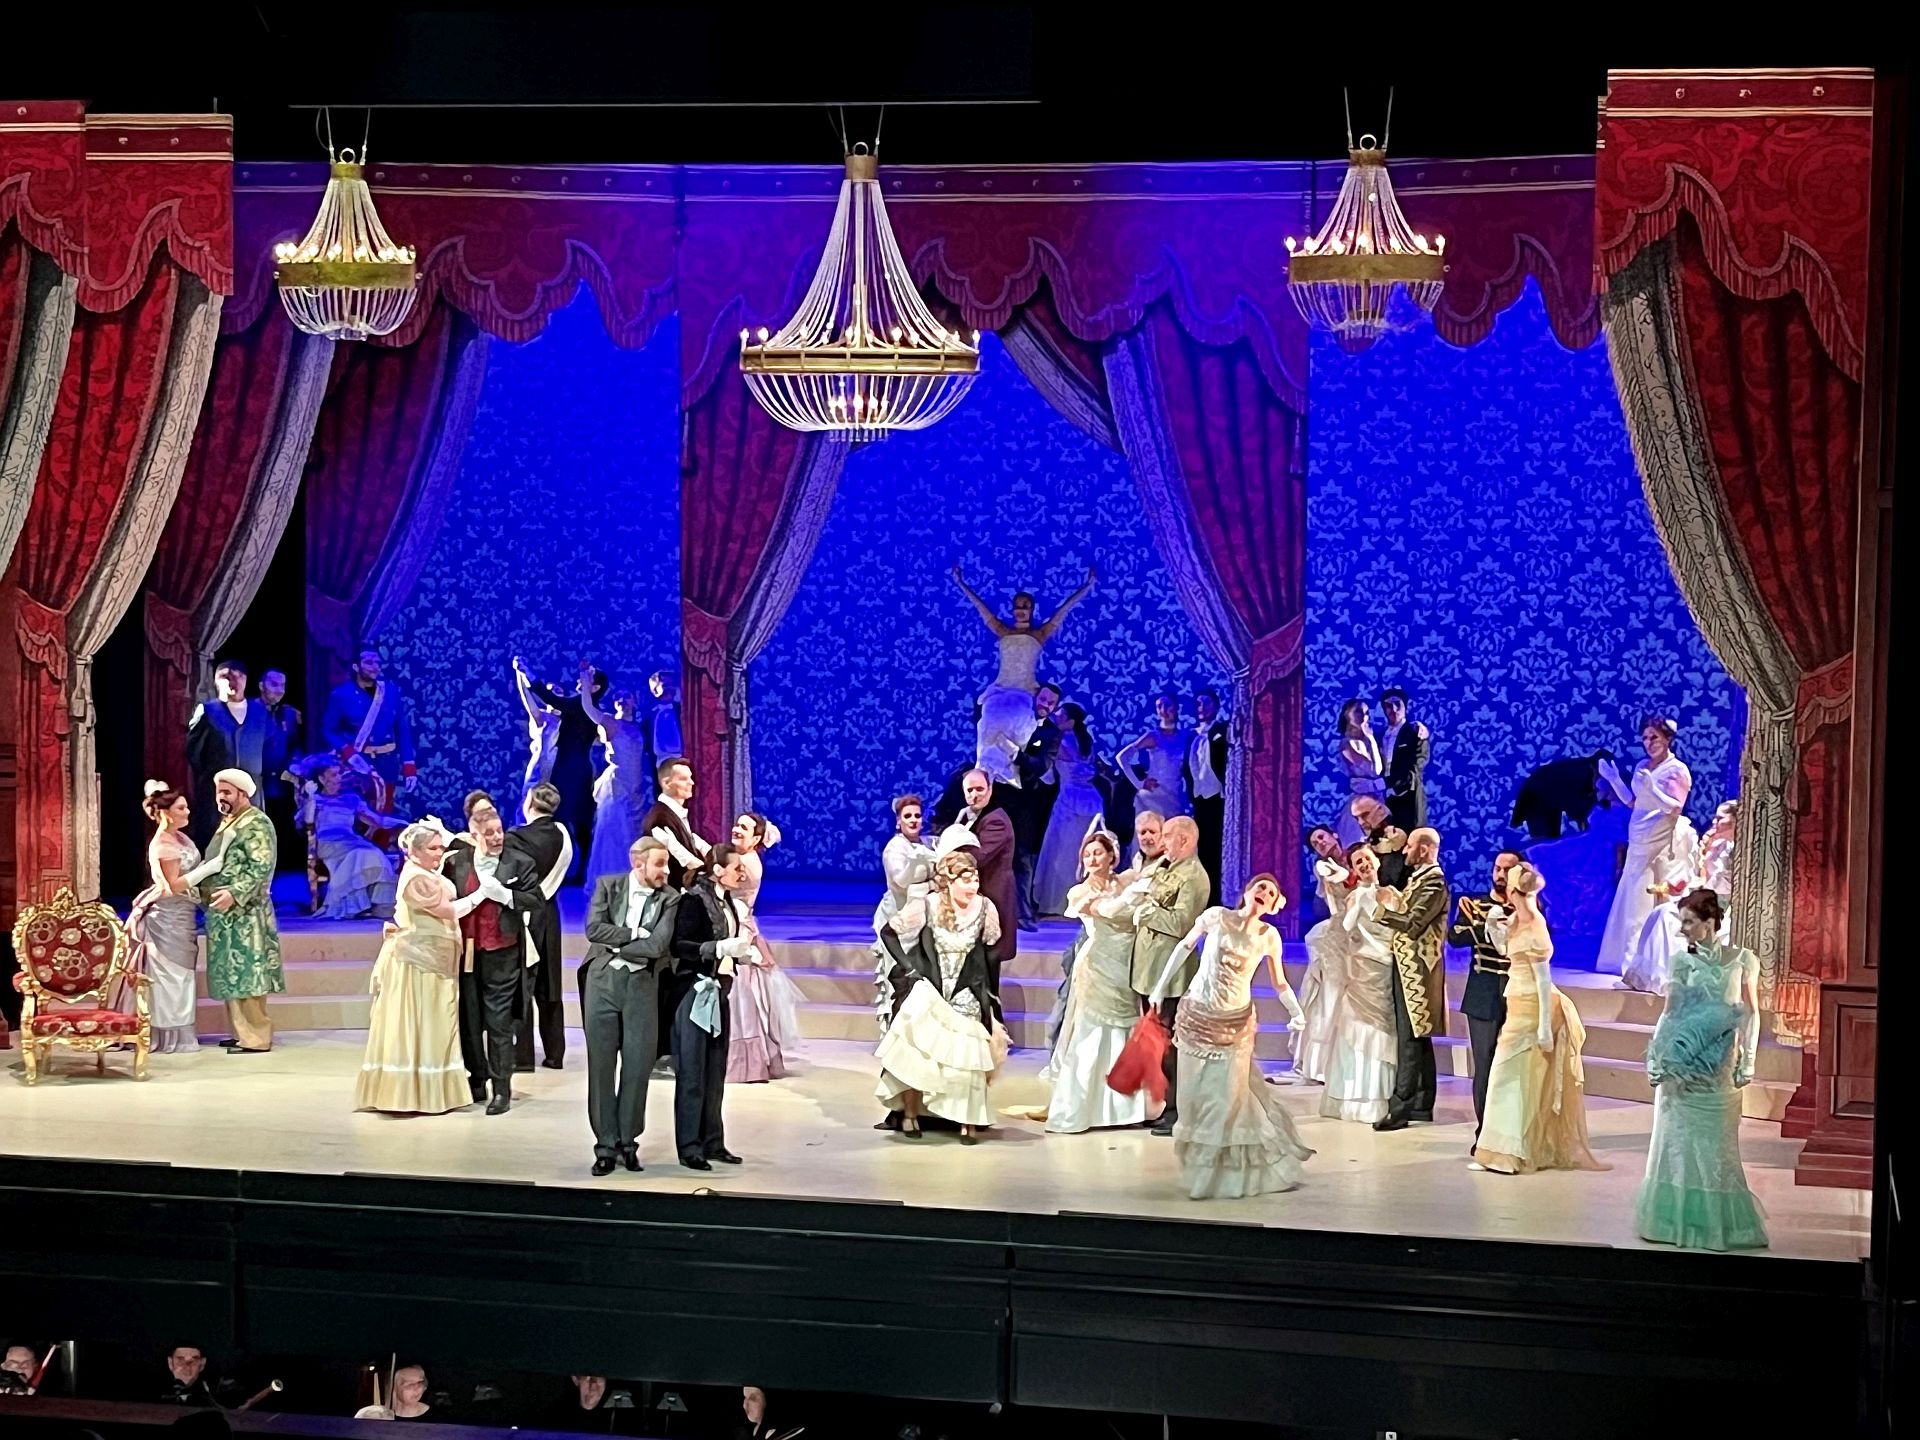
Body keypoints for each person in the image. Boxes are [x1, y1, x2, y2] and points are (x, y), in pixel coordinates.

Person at [1147, 875, 1311, 1199]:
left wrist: (1296, 1012)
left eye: (1271, 892)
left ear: (1274, 905)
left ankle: (1216, 1175)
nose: (1264, 892)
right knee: (1194, 1098)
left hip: (1235, 1025)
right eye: (1260, 886)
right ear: (1247, 891)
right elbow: (1184, 946)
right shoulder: (1216, 916)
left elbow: (1279, 982)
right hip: (1198, 1018)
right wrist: (1160, 987)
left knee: (1226, 1100)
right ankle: (1200, 1169)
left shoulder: (1268, 936)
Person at [1635, 888, 1769, 1251]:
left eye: (1689, 922)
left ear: (1710, 923)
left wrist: (1749, 1060)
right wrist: (1656, 1058)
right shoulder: (1682, 962)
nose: (1682, 929)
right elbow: (1670, 1013)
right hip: (1683, 1068)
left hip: (1721, 1066)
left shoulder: (1743, 960)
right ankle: (1674, 1221)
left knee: (1717, 1147)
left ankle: (1716, 1224)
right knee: (1677, 1143)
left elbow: (1751, 1013)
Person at [1471, 862, 1606, 1175]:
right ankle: (1497, 1152)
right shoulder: (1516, 920)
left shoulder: (1534, 925)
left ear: (1514, 891)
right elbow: (1507, 951)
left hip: (1532, 1010)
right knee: (1506, 1078)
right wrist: (1493, 927)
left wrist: (1545, 1026)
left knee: (1518, 1080)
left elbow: (1543, 981)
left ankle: (1512, 1153)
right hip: (1516, 1005)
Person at [355, 821, 492, 1114]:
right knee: (419, 1024)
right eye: (432, 848)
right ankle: (409, 1094)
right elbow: (447, 910)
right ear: (414, 851)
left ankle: (433, 1092)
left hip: (435, 961)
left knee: (435, 1025)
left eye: (440, 847)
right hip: (417, 963)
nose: (439, 853)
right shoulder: (416, 878)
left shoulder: (428, 872)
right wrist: (482, 895)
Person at [877, 846, 1004, 1141]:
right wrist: (909, 968)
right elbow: (888, 932)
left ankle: (967, 1120)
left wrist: (988, 992)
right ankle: (910, 1115)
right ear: (949, 882)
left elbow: (991, 949)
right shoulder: (928, 905)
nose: (973, 886)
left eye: (976, 879)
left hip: (965, 988)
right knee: (917, 1049)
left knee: (967, 1056)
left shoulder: (985, 908)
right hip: (932, 986)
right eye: (966, 880)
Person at [583, 838, 681, 1174]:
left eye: (666, 864)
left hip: (641, 986)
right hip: (602, 983)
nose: (666, 871)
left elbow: (656, 946)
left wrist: (616, 944)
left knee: (638, 1068)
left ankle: (628, 1142)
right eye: (659, 864)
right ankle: (605, 1146)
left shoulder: (670, 898)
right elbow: (594, 929)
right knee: (601, 1068)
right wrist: (633, 933)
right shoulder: (607, 886)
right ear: (638, 864)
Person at [1045, 831, 1152, 1133]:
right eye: (1087, 854)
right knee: (1093, 1033)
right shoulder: (1079, 892)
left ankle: (1125, 1109)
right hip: (1097, 964)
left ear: (1111, 856)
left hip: (1126, 964)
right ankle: (1083, 1109)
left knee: (1125, 1031)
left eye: (1097, 853)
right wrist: (1130, 896)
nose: (1092, 859)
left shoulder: (1126, 880)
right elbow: (1105, 911)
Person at [952, 564, 1095, 783]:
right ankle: (984, 776)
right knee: (988, 732)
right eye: (1017, 606)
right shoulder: (1003, 630)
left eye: (1025, 606)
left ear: (1032, 609)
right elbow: (980, 606)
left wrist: (1088, 585)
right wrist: (960, 583)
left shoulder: (1040, 633)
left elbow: (1065, 609)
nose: (1021, 610)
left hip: (1024, 693)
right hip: (999, 691)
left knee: (1015, 737)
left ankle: (1009, 774)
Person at [445, 806, 545, 1113]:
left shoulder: (520, 862)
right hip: (466, 954)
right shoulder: (456, 863)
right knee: (470, 1021)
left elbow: (535, 901)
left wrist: (504, 895)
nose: (497, 837)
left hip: (503, 953)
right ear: (473, 835)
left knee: (499, 1022)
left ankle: (502, 1088)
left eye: (499, 831)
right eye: (489, 833)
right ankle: (477, 1080)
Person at [668, 843, 754, 1170]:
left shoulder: (726, 900)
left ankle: (713, 1142)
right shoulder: (693, 900)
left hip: (719, 990)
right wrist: (717, 948)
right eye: (736, 868)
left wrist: (740, 955)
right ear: (718, 870)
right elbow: (680, 945)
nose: (742, 873)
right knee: (692, 1071)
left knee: (715, 1069)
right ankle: (690, 1146)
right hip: (695, 991)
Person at [1131, 815, 1211, 1137]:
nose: (1161, 842)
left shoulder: (1193, 876)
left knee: (1169, 1047)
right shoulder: (1168, 867)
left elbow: (1181, 924)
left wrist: (1147, 912)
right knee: (1157, 1043)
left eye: (1167, 836)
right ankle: (1163, 1104)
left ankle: (1176, 1110)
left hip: (1170, 973)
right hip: (1149, 968)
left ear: (1185, 840)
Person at [1595, 714, 1693, 975]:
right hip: (1638, 834)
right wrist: (1615, 779)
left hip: (1658, 838)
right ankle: (1624, 958)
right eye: (1646, 738)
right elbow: (1633, 802)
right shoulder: (1642, 765)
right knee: (1631, 894)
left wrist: (1653, 788)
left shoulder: (1676, 770)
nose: (1649, 743)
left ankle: (1640, 962)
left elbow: (1674, 808)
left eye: (1655, 737)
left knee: (1646, 895)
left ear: (1668, 739)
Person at [127, 782, 221, 1053]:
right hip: (166, 919)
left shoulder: (181, 838)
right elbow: (173, 886)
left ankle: (181, 1034)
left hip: (183, 915)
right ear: (166, 813)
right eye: (181, 808)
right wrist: (207, 870)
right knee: (170, 975)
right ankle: (167, 1037)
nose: (187, 811)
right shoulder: (162, 844)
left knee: (183, 974)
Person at [1372, 826, 1449, 1132]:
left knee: (1410, 1038)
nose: (1404, 851)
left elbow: (1414, 923)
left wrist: (1381, 911)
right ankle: (1421, 1102)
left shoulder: (1434, 883)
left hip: (1418, 970)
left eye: (1410, 846)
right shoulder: (1420, 879)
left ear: (1425, 849)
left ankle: (1400, 1107)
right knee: (1417, 1037)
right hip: (1406, 964)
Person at [204, 770, 283, 1053]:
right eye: (219, 792)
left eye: (227, 792)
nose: (221, 798)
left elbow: (261, 867)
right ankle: (241, 1033)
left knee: (248, 974)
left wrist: (235, 893)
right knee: (232, 974)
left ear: (243, 793)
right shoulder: (230, 821)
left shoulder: (256, 823)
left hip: (246, 914)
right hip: (225, 913)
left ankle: (256, 1037)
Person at [1624, 798, 1738, 994]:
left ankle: (1676, 979)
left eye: (1720, 818)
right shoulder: (1718, 847)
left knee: (1669, 918)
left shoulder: (1736, 852)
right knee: (1661, 912)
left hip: (1723, 907)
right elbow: (1703, 880)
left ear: (1735, 821)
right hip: (1708, 900)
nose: (1714, 822)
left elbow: (1724, 886)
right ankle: (1657, 976)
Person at [1449, 849, 1524, 1144]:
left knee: (1514, 1065)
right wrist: (1485, 928)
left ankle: (1511, 1129)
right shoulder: (1475, 904)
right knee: (1485, 1063)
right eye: (1497, 868)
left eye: (1507, 869)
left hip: (1517, 992)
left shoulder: (1527, 907)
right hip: (1483, 993)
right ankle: (1484, 1132)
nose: (1501, 874)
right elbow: (1455, 937)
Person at [1320, 844, 1398, 1123]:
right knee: (1355, 1028)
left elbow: (1399, 929)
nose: (1364, 864)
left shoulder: (1392, 894)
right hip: (1360, 969)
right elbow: (1345, 927)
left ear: (1377, 860)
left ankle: (1378, 1096)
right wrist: (1358, 900)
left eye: (1366, 858)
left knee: (1381, 1029)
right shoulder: (1354, 896)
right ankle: (1353, 1098)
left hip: (1384, 968)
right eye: (1357, 862)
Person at [726, 813, 804, 1083]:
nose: (736, 829)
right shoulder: (742, 857)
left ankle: (746, 1063)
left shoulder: (746, 863)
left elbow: (717, 871)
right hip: (739, 925)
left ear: (756, 838)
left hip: (740, 930)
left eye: (744, 827)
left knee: (743, 997)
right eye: (736, 824)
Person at [507, 782, 573, 1070]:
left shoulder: (515, 838)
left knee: (523, 983)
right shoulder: (562, 833)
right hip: (549, 913)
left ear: (529, 804)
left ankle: (522, 1056)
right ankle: (555, 1053)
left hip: (525, 914)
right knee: (551, 983)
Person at [524, 661, 607, 883]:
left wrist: (529, 673)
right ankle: (574, 872)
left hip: (569, 770)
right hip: (579, 769)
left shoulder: (580, 706)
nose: (580, 678)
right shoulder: (589, 708)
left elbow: (549, 698)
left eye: (588, 677)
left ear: (595, 687)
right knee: (578, 823)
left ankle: (561, 872)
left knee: (563, 820)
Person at [185, 660, 273, 852]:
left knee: (250, 843)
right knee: (216, 844)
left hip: (251, 792)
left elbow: (270, 748)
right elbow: (194, 751)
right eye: (226, 676)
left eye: (239, 676)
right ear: (216, 681)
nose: (234, 680)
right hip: (216, 794)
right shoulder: (208, 711)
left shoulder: (259, 712)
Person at [579, 661, 652, 889]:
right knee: (614, 834)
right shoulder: (611, 722)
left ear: (634, 701)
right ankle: (612, 881)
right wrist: (585, 679)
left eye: (627, 697)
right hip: (617, 785)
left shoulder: (639, 727)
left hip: (636, 785)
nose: (622, 700)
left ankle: (634, 879)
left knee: (633, 833)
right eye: (618, 697)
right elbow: (589, 709)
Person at [303, 759, 405, 919]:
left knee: (375, 853)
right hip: (329, 843)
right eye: (334, 775)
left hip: (352, 840)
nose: (339, 778)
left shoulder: (351, 799)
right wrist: (311, 798)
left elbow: (378, 820)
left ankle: (380, 905)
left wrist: (404, 823)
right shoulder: (316, 800)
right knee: (359, 853)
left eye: (340, 774)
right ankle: (350, 905)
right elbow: (308, 822)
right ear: (322, 779)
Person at [1288, 827, 1350, 1086]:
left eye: (1322, 837)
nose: (1320, 843)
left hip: (1361, 927)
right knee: (1329, 992)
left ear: (1335, 835)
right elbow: (1322, 907)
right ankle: (1320, 1062)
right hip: (1340, 929)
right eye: (1315, 843)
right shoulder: (1322, 868)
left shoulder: (1357, 856)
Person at [950, 767, 1018, 1001]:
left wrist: (943, 857)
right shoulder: (972, 816)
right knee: (978, 966)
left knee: (989, 964)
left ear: (990, 789)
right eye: (969, 790)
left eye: (980, 789)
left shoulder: (995, 820)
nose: (974, 795)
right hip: (979, 898)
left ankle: (991, 1019)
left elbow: (977, 857)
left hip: (993, 897)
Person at [871, 794, 936, 1033]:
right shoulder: (895, 848)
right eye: (908, 816)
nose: (913, 820)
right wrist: (928, 880)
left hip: (925, 918)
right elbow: (900, 884)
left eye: (917, 815)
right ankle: (896, 1036)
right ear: (898, 821)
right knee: (901, 979)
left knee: (924, 979)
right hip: (899, 917)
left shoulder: (929, 843)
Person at [1034, 700, 1104, 916]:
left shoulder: (1060, 741)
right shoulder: (1086, 741)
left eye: (1060, 715)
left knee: (1063, 851)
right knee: (1079, 849)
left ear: (1070, 721)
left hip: (1070, 799)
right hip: (1090, 798)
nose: (1055, 716)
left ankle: (1060, 903)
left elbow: (1047, 772)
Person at [321, 645, 418, 796]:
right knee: (356, 808)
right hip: (356, 762)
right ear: (355, 666)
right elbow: (329, 730)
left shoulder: (391, 692)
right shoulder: (341, 694)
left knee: (384, 809)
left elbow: (402, 729)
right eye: (368, 662)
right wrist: (348, 753)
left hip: (386, 763)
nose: (375, 667)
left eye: (378, 662)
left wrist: (409, 765)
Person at [1010, 682, 1065, 927]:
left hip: (1027, 803)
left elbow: (1041, 765)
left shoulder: (1051, 733)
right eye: (1043, 699)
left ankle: (1023, 914)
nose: (1045, 705)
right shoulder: (1011, 717)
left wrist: (1016, 755)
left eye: (1051, 703)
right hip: (998, 795)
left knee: (1023, 857)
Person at [1185, 687, 1230, 905]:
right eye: (1198, 703)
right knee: (1200, 847)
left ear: (1216, 706)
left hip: (1218, 797)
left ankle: (1216, 897)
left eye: (1206, 703)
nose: (1201, 707)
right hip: (1199, 798)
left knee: (1216, 847)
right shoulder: (1191, 735)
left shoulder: (1223, 729)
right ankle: (1201, 896)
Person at [1116, 691, 1191, 819]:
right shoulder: (1153, 736)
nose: (1163, 710)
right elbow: (1122, 757)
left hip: (1175, 796)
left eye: (1167, 705)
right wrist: (1139, 784)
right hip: (1153, 795)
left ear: (1176, 707)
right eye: (1159, 706)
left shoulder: (1185, 736)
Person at [643, 755, 709, 889]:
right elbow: (681, 857)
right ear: (666, 783)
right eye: (683, 779)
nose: (691, 783)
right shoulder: (659, 818)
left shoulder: (674, 814)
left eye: (690, 777)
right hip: (673, 894)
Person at [511, 656, 562, 823]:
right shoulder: (542, 717)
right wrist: (520, 674)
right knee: (529, 804)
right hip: (540, 767)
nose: (554, 693)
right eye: (551, 691)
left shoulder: (570, 722)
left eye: (558, 691)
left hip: (558, 771)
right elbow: (527, 698)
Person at [259, 669, 303, 862]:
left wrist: (295, 764)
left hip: (282, 783)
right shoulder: (248, 711)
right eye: (274, 684)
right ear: (262, 686)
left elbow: (295, 745)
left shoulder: (290, 714)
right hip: (257, 783)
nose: (279, 690)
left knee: (282, 828)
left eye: (283, 685)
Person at [1333, 698, 1386, 849]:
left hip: (1378, 798)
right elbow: (1374, 770)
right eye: (1357, 711)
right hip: (1361, 802)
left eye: (1366, 713)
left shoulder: (1372, 741)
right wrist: (1370, 738)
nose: (1363, 716)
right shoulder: (1346, 744)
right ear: (1346, 714)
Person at [1379, 687, 1430, 833]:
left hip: (1408, 795)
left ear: (1405, 707)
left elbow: (1419, 762)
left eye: (1397, 704)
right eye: (1388, 706)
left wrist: (1398, 785)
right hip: (1384, 798)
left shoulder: (1414, 731)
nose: (1393, 709)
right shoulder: (1379, 735)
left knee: (1412, 838)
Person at [1349, 793, 1409, 890]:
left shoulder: (1408, 835)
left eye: (1365, 815)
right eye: (1357, 818)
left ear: (1380, 810)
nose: (1361, 822)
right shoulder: (1365, 849)